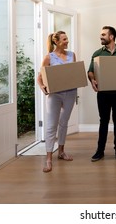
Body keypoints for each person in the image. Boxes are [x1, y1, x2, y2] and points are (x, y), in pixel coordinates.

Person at [37, 31, 78, 173]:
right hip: (55, 94)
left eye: (67, 38)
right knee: (51, 125)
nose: (67, 41)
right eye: (64, 39)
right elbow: (40, 77)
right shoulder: (49, 57)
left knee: (64, 123)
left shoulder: (72, 55)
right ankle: (48, 158)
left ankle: (61, 151)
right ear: (56, 41)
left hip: (71, 92)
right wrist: (43, 87)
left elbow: (74, 73)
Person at [88, 26, 116, 162]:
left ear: (111, 37)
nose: (101, 37)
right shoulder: (97, 53)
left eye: (103, 34)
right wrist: (92, 79)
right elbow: (90, 71)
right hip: (103, 94)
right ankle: (100, 151)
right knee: (104, 121)